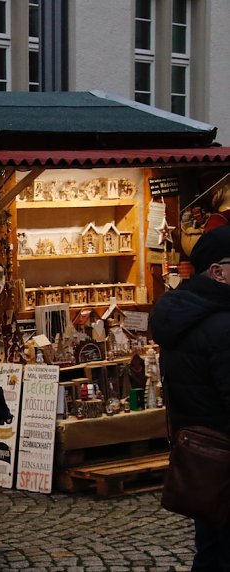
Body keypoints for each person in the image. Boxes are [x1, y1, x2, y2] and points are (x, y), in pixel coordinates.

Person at [150, 226, 230, 569]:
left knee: (210, 549)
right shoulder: (222, 324)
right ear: (218, 271)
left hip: (200, 456)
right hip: (225, 453)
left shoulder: (182, 316)